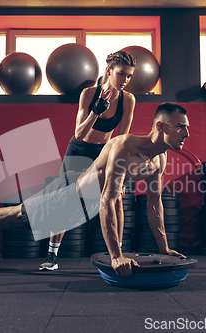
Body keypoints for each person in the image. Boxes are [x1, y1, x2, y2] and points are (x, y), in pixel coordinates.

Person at [0, 102, 189, 277]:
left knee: (23, 221)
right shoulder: (124, 146)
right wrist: (116, 257)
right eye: (180, 127)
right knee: (20, 216)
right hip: (70, 195)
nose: (186, 134)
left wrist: (164, 248)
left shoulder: (159, 159)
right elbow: (108, 199)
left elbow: (154, 204)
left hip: (88, 205)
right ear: (160, 126)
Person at [41, 50, 136, 270]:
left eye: (129, 76)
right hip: (79, 149)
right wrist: (95, 111)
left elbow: (121, 140)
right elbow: (79, 134)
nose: (125, 80)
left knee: (116, 197)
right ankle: (51, 257)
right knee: (64, 199)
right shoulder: (88, 94)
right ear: (109, 71)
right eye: (121, 74)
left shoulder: (128, 100)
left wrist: (120, 173)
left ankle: (118, 254)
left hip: (104, 151)